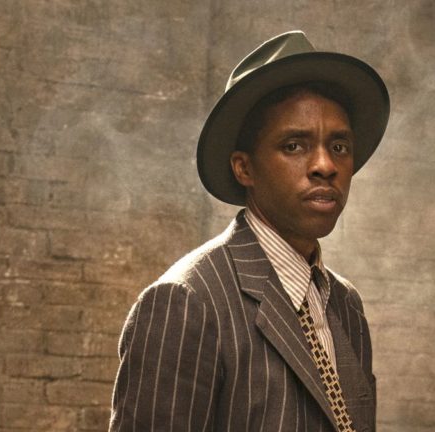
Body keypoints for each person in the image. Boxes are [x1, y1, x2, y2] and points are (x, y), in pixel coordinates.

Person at [108, 30, 389, 432]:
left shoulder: (346, 305)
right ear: (244, 168)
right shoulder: (186, 302)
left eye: (339, 147)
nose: (325, 165)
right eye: (294, 145)